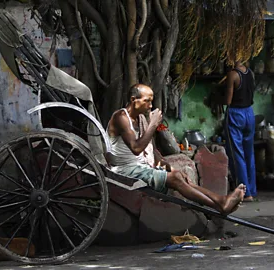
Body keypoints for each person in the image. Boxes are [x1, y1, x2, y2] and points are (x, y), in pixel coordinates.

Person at [106, 84, 245, 215]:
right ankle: (220, 206)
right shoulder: (121, 117)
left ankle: (221, 201)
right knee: (177, 179)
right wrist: (153, 124)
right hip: (125, 171)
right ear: (133, 100)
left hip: (140, 168)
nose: (150, 106)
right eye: (147, 101)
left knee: (182, 178)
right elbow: (136, 148)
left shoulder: (140, 118)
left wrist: (171, 169)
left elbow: (152, 151)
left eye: (151, 101)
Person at [224, 61, 256, 202]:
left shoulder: (233, 75)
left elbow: (228, 100)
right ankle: (252, 191)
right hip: (249, 113)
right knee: (249, 154)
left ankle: (245, 192)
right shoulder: (250, 73)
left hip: (236, 114)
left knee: (237, 154)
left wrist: (220, 97)